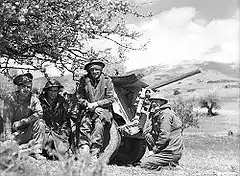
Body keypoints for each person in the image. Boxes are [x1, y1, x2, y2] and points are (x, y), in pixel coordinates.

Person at [73, 60, 115, 158]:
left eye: (97, 69)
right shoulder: (84, 81)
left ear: (101, 70)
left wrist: (96, 104)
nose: (95, 72)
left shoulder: (107, 81)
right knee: (84, 123)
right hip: (87, 109)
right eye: (92, 70)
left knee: (99, 126)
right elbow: (79, 97)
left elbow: (111, 99)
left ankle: (94, 154)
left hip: (103, 110)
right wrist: (88, 105)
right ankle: (84, 151)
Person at [2, 73, 45, 159]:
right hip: (15, 133)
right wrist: (8, 138)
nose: (26, 89)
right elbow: (7, 120)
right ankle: (23, 149)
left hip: (26, 131)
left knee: (40, 123)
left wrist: (24, 121)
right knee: (8, 147)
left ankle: (37, 152)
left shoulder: (33, 98)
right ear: (18, 87)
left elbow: (40, 113)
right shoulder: (10, 98)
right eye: (23, 86)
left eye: (29, 87)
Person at [140, 93, 184, 170]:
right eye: (152, 101)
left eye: (157, 101)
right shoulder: (159, 113)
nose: (153, 103)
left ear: (163, 102)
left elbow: (164, 135)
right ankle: (168, 163)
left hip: (171, 151)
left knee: (145, 164)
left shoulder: (165, 114)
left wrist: (154, 151)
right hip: (167, 149)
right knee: (147, 135)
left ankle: (172, 167)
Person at [39, 79, 71, 159]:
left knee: (62, 153)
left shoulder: (62, 102)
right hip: (44, 132)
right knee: (48, 140)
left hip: (57, 132)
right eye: (51, 91)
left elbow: (66, 120)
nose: (53, 93)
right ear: (47, 91)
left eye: (55, 91)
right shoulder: (40, 101)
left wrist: (64, 132)